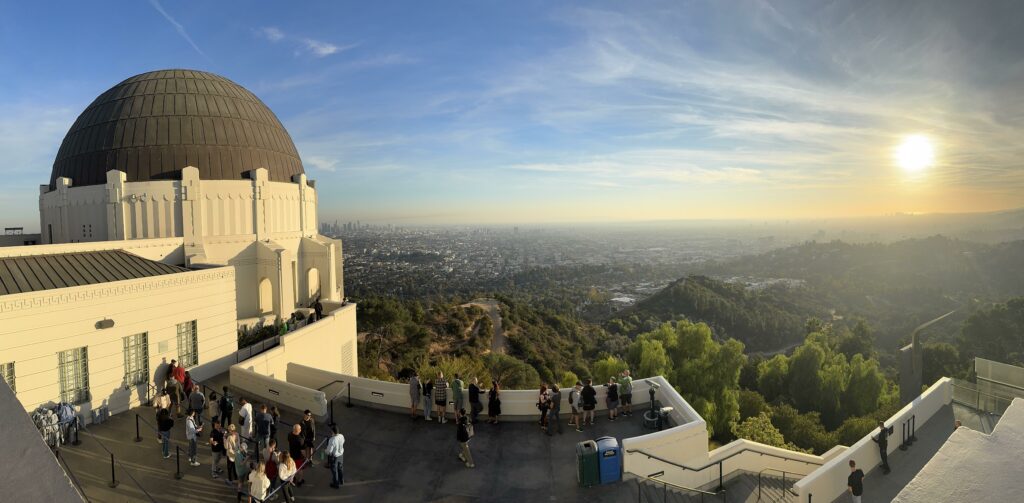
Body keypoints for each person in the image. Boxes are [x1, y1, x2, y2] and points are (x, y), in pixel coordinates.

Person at [326, 425, 345, 489]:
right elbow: (343, 441)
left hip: (334, 457)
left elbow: (329, 451)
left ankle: (336, 484)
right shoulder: (341, 436)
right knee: (340, 468)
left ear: (333, 432)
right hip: (341, 455)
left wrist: (326, 451)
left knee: (335, 471)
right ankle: (341, 480)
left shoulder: (332, 440)